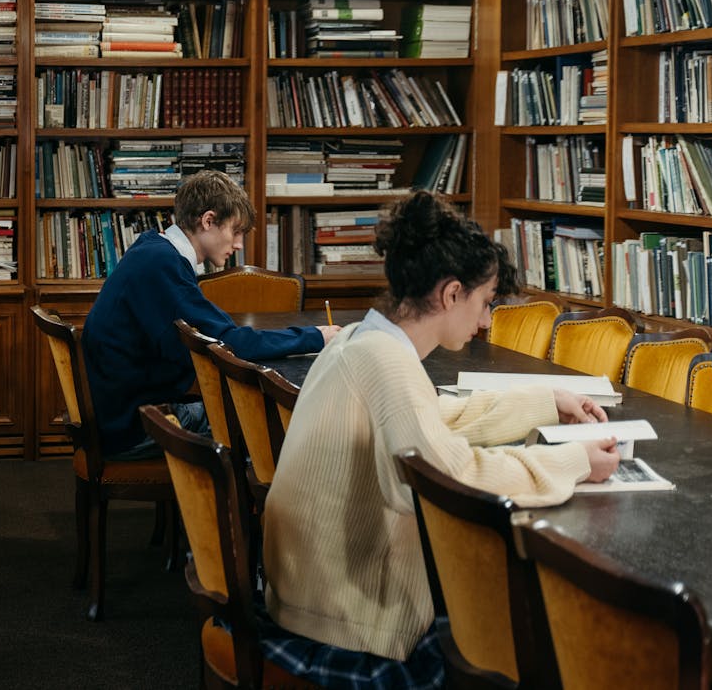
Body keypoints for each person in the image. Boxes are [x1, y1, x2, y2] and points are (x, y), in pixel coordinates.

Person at [260, 191, 619, 688]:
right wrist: (573, 462)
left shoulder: (363, 341)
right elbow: (455, 479)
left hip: (310, 589)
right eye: (486, 303)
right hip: (345, 619)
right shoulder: (385, 363)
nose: (486, 321)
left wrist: (546, 400)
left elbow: (435, 417)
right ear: (452, 294)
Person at [81, 170, 339, 460]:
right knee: (269, 422)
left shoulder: (152, 248)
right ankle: (253, 501)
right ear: (208, 221)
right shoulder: (162, 264)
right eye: (236, 231)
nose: (239, 245)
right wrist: (317, 336)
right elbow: (231, 343)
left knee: (254, 412)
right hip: (136, 425)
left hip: (124, 411)